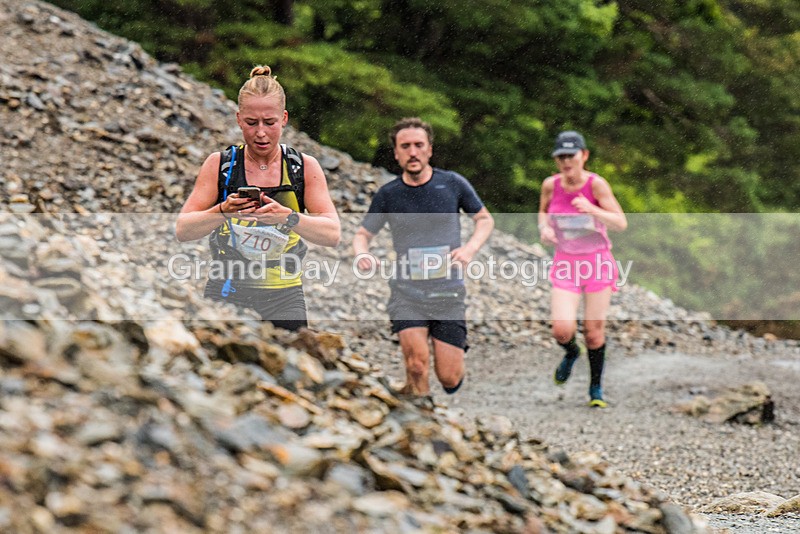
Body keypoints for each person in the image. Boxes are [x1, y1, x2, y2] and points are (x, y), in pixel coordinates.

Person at [176, 65, 340, 330]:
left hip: (284, 295)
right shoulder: (220, 165)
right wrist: (223, 212)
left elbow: (332, 234)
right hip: (227, 289)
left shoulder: (302, 167)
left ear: (284, 118)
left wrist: (288, 217)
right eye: (251, 123)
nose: (261, 132)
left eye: (270, 122)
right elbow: (183, 229)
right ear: (239, 119)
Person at [353, 117, 494, 397]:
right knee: (417, 366)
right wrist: (362, 255)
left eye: (419, 145)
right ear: (396, 153)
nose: (413, 152)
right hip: (407, 292)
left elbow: (485, 220)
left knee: (450, 379)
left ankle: (436, 377)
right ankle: (422, 425)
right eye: (405, 146)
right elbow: (362, 235)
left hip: (447, 292)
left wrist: (469, 250)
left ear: (429, 149)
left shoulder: (452, 184)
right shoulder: (388, 194)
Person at [538, 130, 627, 408]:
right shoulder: (551, 185)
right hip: (566, 261)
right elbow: (542, 211)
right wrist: (543, 227)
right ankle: (570, 352)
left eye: (571, 156)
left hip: (596, 261)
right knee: (561, 330)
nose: (566, 162)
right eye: (560, 157)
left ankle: (595, 388)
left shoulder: (597, 185)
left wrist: (592, 209)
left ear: (584, 156)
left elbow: (620, 222)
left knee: (593, 331)